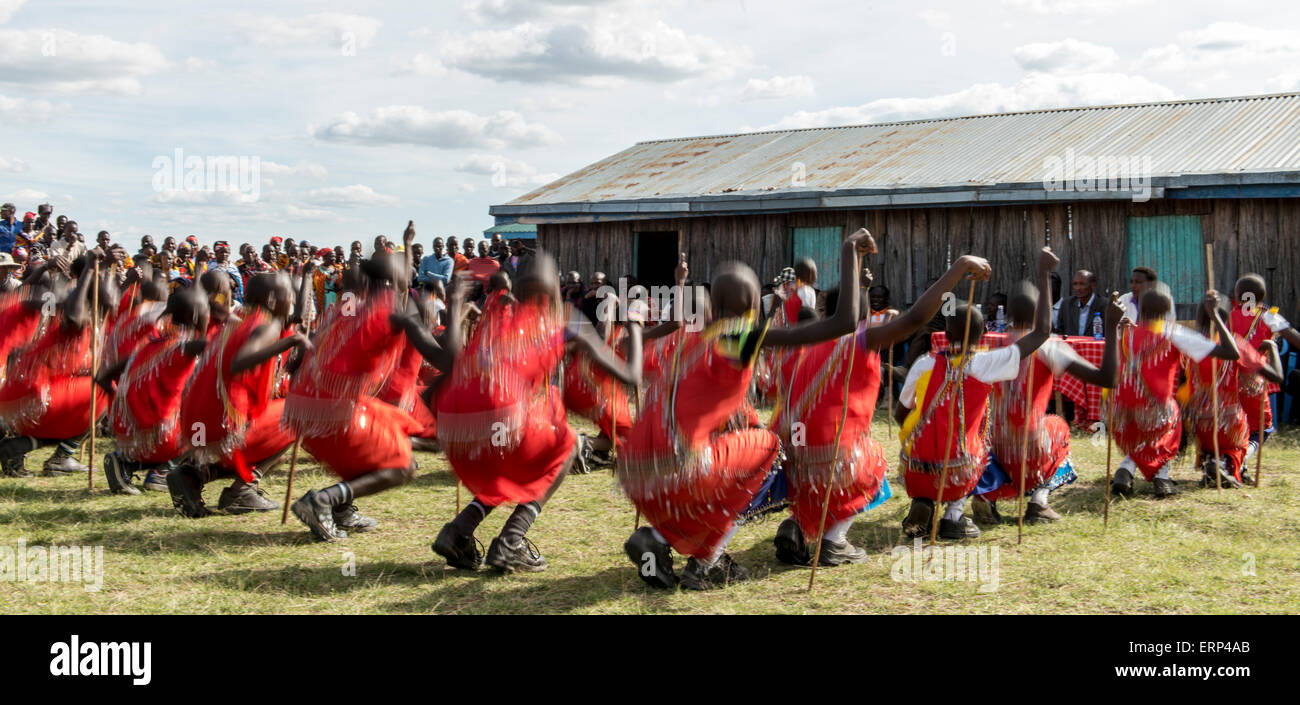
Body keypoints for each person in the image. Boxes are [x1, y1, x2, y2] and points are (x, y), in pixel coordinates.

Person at [620, 230, 873, 590]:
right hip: (679, 468)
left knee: (738, 451)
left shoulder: (696, 337)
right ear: (755, 303)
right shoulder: (742, 336)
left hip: (639, 471)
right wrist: (849, 251)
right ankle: (707, 562)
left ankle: (657, 541)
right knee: (770, 448)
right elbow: (844, 323)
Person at [771, 251, 992, 567]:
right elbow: (916, 317)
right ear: (862, 320)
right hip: (830, 456)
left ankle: (797, 525)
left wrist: (858, 282)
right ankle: (834, 541)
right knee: (871, 460)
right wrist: (958, 267)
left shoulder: (803, 342)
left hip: (790, 458)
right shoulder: (857, 344)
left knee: (821, 463)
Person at [432, 250, 643, 573]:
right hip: (503, 423)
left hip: (456, 431)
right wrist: (636, 326)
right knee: (567, 446)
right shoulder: (567, 320)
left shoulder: (498, 316)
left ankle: (458, 530)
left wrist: (457, 304)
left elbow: (451, 361)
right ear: (555, 287)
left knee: (514, 464)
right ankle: (511, 541)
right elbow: (629, 376)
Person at [894, 247, 1057, 540]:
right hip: (958, 468)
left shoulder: (924, 363)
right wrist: (1044, 273)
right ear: (983, 337)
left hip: (915, 466)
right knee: (982, 444)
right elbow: (1041, 332)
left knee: (932, 446)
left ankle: (925, 500)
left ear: (946, 333)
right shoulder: (984, 363)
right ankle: (954, 515)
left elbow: (900, 413)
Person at [285, 225, 426, 541]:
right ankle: (324, 500)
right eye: (407, 272)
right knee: (403, 464)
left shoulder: (344, 311)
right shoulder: (387, 312)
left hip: (306, 411)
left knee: (397, 432)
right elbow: (443, 357)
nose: (412, 275)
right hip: (334, 412)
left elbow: (298, 361)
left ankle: (342, 507)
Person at [972, 285, 1122, 525]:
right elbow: (1107, 379)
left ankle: (988, 495)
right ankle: (1038, 502)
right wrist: (1112, 327)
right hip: (1029, 445)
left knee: (996, 433)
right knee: (1059, 426)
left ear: (1008, 315)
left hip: (994, 444)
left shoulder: (995, 346)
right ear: (1043, 317)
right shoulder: (1049, 347)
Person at [170, 271, 308, 517]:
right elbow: (240, 362)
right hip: (224, 426)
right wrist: (289, 343)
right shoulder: (262, 325)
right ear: (274, 300)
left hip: (199, 425)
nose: (293, 301)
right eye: (290, 295)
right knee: (300, 413)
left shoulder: (238, 320)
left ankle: (194, 475)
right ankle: (243, 489)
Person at [1109, 285, 1239, 499]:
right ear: (1169, 310)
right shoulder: (1173, 333)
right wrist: (1215, 315)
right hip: (1155, 413)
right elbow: (1230, 352)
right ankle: (1162, 477)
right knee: (1173, 420)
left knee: (1146, 430)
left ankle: (1126, 469)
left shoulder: (1127, 333)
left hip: (1120, 416)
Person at [0, 252, 116, 477]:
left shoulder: (43, 305)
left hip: (27, 384)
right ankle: (51, 456)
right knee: (103, 391)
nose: (6, 272)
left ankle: (18, 453)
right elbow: (69, 314)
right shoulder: (52, 306)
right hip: (24, 386)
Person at [100, 285, 209, 495]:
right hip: (161, 435)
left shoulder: (149, 344)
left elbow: (103, 378)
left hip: (127, 434)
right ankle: (161, 473)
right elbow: (207, 344)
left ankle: (127, 464)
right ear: (196, 315)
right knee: (203, 427)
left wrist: (121, 409)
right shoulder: (183, 346)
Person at [1185, 302, 1282, 489]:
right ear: (1225, 320)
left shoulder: (1188, 343)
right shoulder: (1236, 345)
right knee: (1262, 427)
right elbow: (1276, 376)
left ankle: (1213, 463)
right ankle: (1228, 464)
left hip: (1198, 426)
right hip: (1228, 425)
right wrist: (1273, 348)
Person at [1230, 274, 1300, 467]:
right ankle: (1239, 460)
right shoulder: (1268, 315)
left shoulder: (1229, 315)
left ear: (1237, 295)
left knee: (1234, 422)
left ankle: (1230, 462)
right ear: (1262, 296)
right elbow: (1294, 338)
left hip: (1228, 379)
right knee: (1262, 428)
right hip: (1254, 379)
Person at [1055, 269, 1106, 336]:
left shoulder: (1104, 305)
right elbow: (1060, 332)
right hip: (1070, 345)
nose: (1078, 288)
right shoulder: (1066, 305)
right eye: (1075, 284)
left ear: (1093, 285)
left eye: (1082, 284)